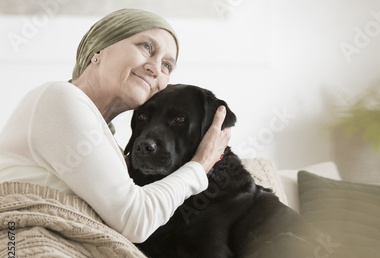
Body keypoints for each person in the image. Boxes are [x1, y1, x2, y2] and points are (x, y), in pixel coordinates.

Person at [0, 8, 231, 243]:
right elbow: (136, 220)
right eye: (146, 47)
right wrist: (200, 166)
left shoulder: (107, 143)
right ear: (99, 49)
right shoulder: (59, 97)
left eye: (167, 66)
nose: (155, 68)